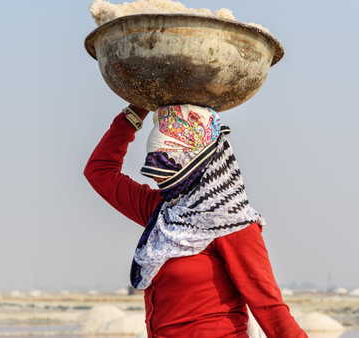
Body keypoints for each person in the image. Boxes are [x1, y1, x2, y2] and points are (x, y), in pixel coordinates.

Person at [84, 103, 307, 338]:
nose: (157, 177)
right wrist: (136, 110)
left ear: (195, 162)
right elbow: (100, 171)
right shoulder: (162, 212)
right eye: (154, 168)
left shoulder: (233, 225)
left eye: (166, 166)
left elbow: (269, 308)